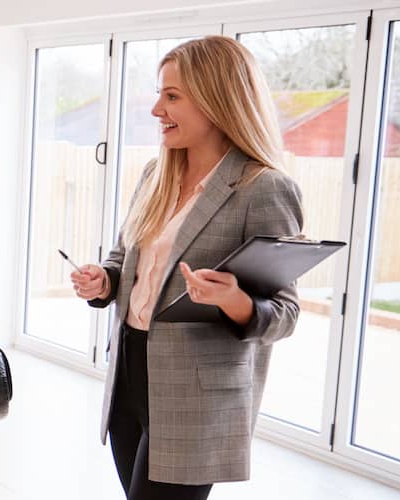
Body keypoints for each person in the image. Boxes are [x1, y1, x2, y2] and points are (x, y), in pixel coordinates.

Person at [69, 36, 304, 500]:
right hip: (132, 371)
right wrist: (105, 280)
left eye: (172, 96)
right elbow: (124, 260)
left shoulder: (263, 188)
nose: (156, 108)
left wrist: (231, 299)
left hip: (197, 395)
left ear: (218, 100)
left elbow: (285, 313)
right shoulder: (156, 176)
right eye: (160, 93)